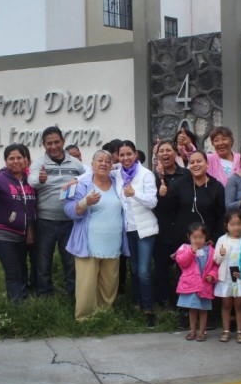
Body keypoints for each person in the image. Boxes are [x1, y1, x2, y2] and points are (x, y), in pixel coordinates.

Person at [64, 150, 129, 321]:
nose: (104, 164)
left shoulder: (117, 182)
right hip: (88, 244)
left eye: (108, 161)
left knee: (110, 283)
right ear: (91, 164)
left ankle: (104, 315)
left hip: (113, 243)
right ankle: (84, 318)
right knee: (86, 284)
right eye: (99, 160)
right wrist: (86, 202)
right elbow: (69, 210)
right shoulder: (81, 184)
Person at [28, 126, 85, 297]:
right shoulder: (40, 163)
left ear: (63, 142)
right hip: (45, 221)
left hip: (70, 221)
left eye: (56, 142)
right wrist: (40, 179)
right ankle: (44, 293)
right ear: (44, 145)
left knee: (70, 260)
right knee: (44, 260)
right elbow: (31, 181)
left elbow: (88, 179)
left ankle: (72, 293)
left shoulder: (76, 164)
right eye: (49, 143)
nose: (53, 146)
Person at [0, 144, 37, 303]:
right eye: (12, 158)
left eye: (19, 158)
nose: (16, 161)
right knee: (13, 271)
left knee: (23, 268)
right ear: (6, 160)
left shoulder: (30, 180)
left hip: (25, 235)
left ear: (25, 160)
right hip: (3, 234)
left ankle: (23, 297)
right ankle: (16, 307)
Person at [115, 140, 159, 326]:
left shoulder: (146, 174)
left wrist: (134, 193)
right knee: (134, 270)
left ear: (135, 155)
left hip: (145, 230)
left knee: (143, 271)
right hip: (128, 230)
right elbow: (94, 172)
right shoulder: (117, 174)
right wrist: (76, 179)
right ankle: (136, 303)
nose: (125, 158)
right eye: (122, 155)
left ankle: (148, 309)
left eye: (129, 154)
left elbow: (152, 202)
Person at [162, 150, 226, 245]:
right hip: (183, 242)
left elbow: (221, 216)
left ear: (207, 163)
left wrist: (214, 238)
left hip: (207, 242)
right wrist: (163, 195)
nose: (195, 164)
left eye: (199, 161)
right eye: (192, 162)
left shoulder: (217, 187)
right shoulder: (179, 185)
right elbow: (169, 211)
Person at [152, 140, 188, 306]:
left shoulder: (186, 175)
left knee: (185, 271)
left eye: (168, 150)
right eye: (161, 151)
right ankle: (164, 304)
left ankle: (185, 305)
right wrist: (160, 179)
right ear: (157, 155)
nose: (165, 153)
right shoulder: (152, 177)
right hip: (162, 231)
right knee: (161, 271)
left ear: (176, 153)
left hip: (182, 231)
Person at [175, 223, 219, 341]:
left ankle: (202, 332)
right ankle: (192, 331)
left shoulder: (210, 250)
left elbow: (216, 266)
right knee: (192, 309)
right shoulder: (184, 248)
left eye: (201, 237)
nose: (198, 240)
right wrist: (191, 252)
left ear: (205, 237)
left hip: (205, 285)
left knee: (203, 310)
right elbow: (181, 262)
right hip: (191, 285)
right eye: (195, 237)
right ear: (189, 237)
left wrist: (212, 275)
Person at [213, 210, 241, 344]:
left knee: (239, 304)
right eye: (232, 224)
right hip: (226, 278)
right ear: (226, 225)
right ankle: (226, 330)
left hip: (240, 278)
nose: (236, 227)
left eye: (239, 224)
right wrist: (221, 254)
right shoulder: (222, 239)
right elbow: (216, 260)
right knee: (226, 304)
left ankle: (240, 331)